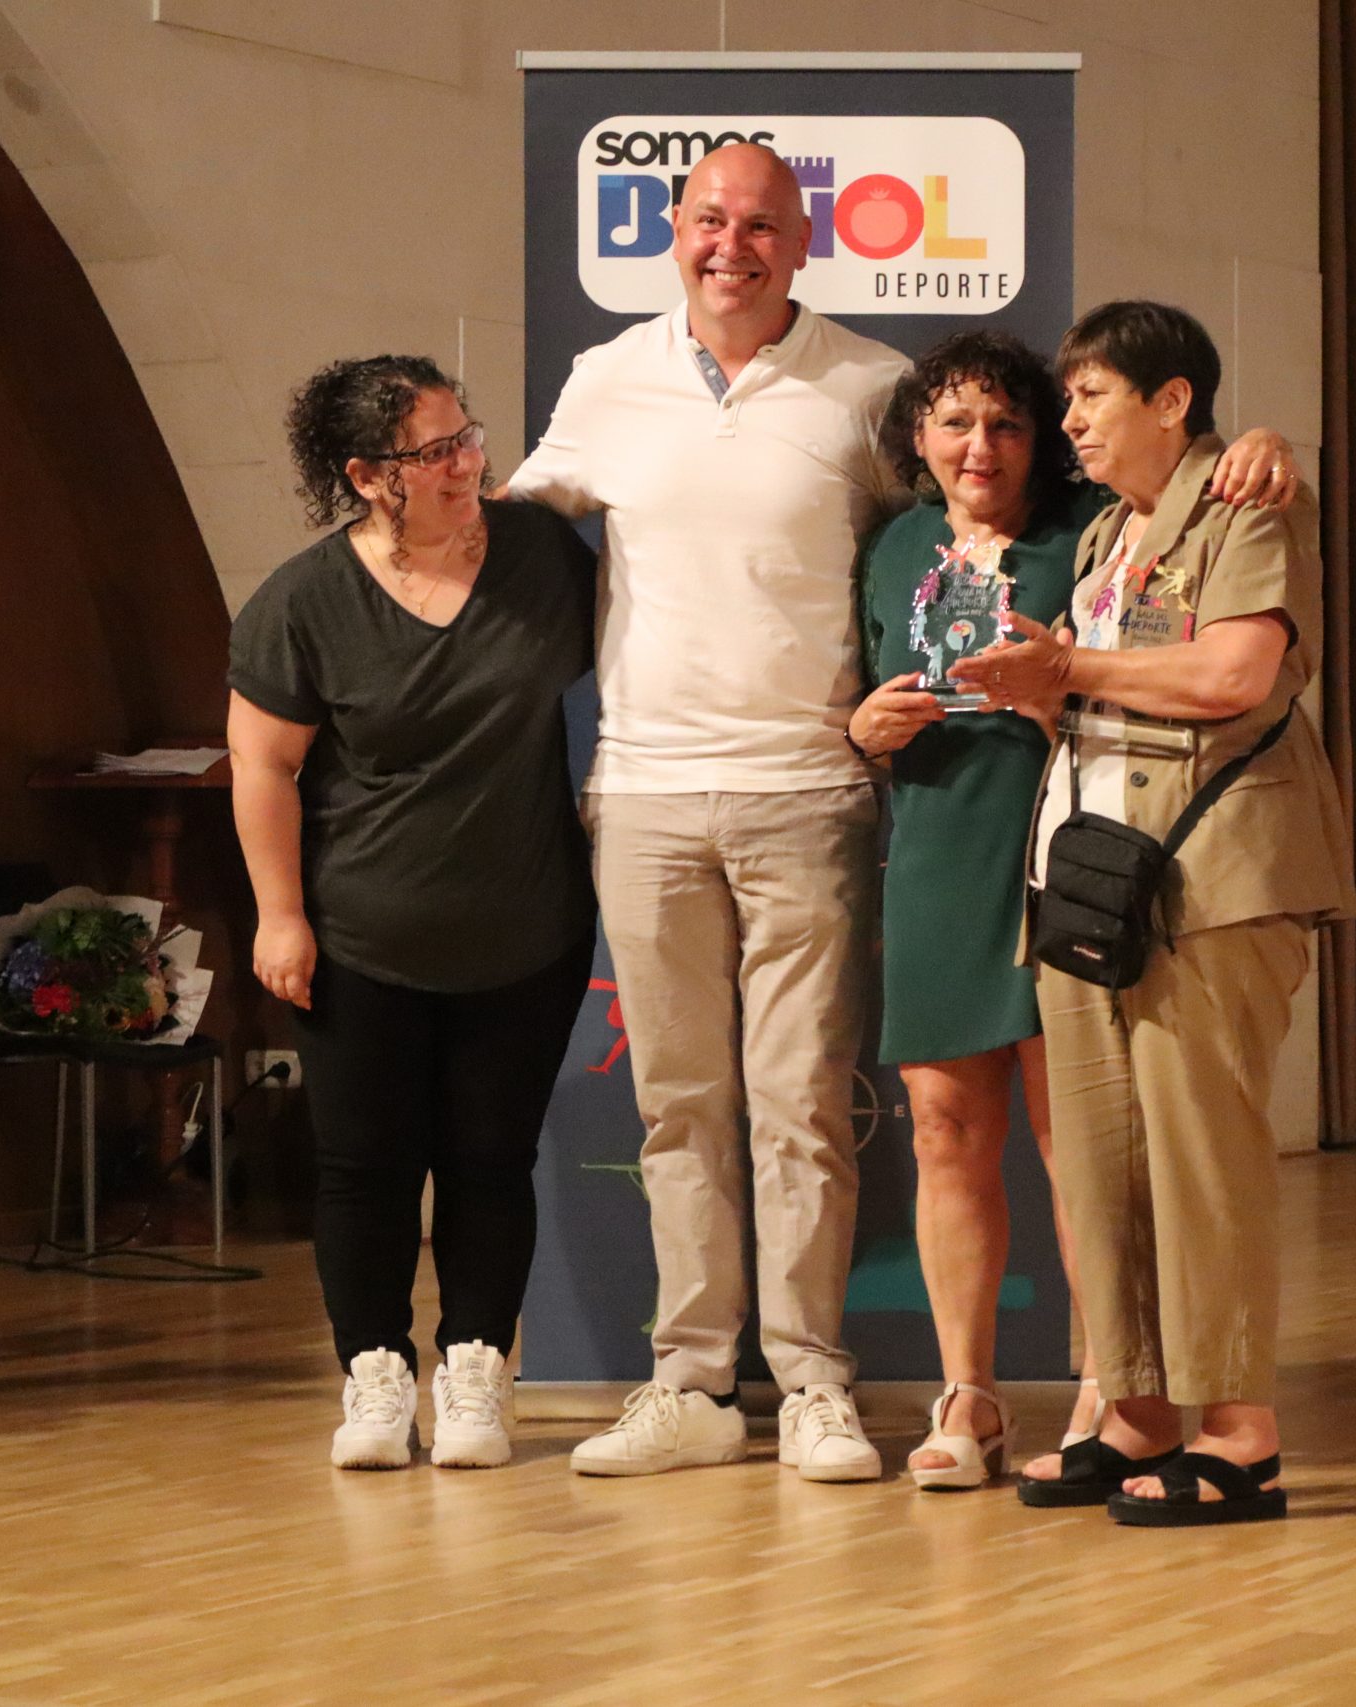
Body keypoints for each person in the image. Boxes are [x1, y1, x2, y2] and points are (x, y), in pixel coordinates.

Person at [506, 140, 904, 1482]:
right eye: (710, 221)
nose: (732, 246)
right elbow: (504, 528)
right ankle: (692, 1382)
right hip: (644, 797)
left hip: (810, 795)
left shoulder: (871, 386)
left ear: (804, 244)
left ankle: (812, 1383)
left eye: (763, 226)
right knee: (678, 1108)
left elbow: (953, 544)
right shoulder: (605, 377)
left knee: (801, 1105)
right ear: (674, 230)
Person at [852, 331, 1295, 1489]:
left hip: (1101, 861)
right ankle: (999, 1399)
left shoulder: (1105, 524)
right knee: (963, 1133)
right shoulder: (906, 544)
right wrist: (866, 728)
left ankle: (1137, 1396)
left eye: (1015, 420)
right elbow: (867, 683)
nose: (984, 445)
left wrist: (1260, 442)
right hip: (964, 851)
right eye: (955, 422)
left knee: (1107, 1146)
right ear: (916, 435)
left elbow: (1221, 653)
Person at [959, 301, 1353, 1525]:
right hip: (1090, 878)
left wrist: (1067, 669)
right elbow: (1095, 695)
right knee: (1102, 1162)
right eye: (1069, 399)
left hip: (1210, 882)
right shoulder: (1103, 535)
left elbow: (1234, 674)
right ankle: (1134, 1411)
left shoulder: (1244, 506)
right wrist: (1026, 685)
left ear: (1172, 401)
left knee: (1199, 1163)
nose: (1068, 421)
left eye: (1091, 397)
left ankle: (1240, 1436)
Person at [226, 355, 597, 1471]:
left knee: (491, 1159)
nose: (466, 464)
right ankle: (375, 1373)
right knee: (365, 1166)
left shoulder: (541, 557)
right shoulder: (303, 600)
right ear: (365, 476)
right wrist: (278, 915)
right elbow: (262, 765)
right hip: (360, 937)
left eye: (467, 437)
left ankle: (477, 1367)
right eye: (434, 452)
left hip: (524, 928)